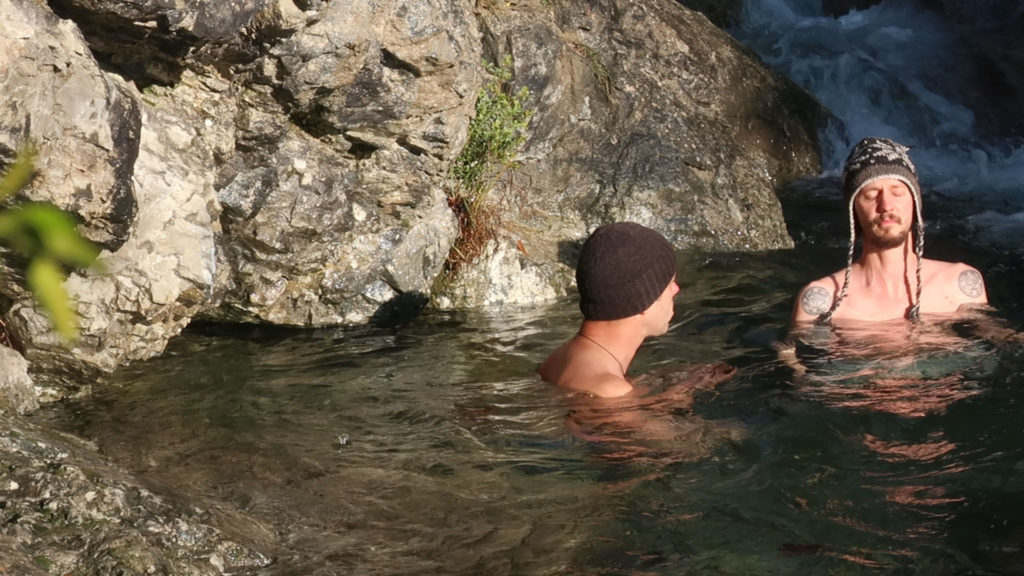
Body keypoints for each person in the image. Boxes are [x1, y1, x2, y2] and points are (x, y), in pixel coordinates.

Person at [791, 137, 988, 326]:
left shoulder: (961, 285)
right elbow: (793, 358)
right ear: (854, 210)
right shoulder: (822, 302)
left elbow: (994, 344)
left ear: (915, 202)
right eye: (871, 194)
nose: (886, 205)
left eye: (897, 192)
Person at [539, 221, 681, 398]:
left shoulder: (557, 360)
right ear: (644, 299)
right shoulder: (610, 391)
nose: (676, 290)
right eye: (669, 284)